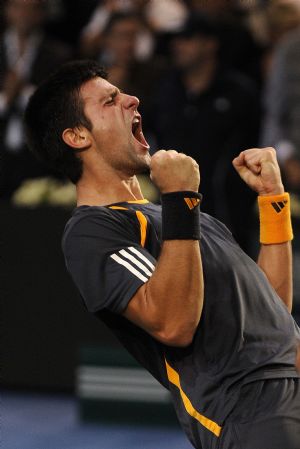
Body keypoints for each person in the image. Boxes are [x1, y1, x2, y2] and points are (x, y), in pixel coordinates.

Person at [23, 60, 300, 449]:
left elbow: (271, 309)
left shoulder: (178, 218)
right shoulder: (92, 229)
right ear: (77, 137)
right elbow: (173, 323)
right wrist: (181, 199)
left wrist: (273, 200)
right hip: (253, 416)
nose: (132, 99)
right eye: (110, 100)